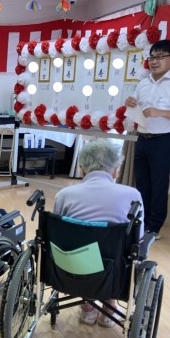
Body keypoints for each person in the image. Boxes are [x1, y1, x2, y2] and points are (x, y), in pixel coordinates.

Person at [53, 138, 143, 327]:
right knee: (119, 252)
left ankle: (87, 307)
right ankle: (110, 308)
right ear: (116, 170)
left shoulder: (64, 195)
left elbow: (57, 236)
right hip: (115, 270)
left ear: (81, 169)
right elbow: (139, 237)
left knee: (80, 247)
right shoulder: (132, 195)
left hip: (73, 268)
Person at [125, 39, 170, 239]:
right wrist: (130, 103)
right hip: (142, 138)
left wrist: (160, 112)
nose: (154, 61)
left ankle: (154, 228)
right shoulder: (143, 83)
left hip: (164, 141)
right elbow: (136, 109)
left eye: (160, 57)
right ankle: (140, 222)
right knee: (142, 183)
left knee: (159, 185)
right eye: (152, 57)